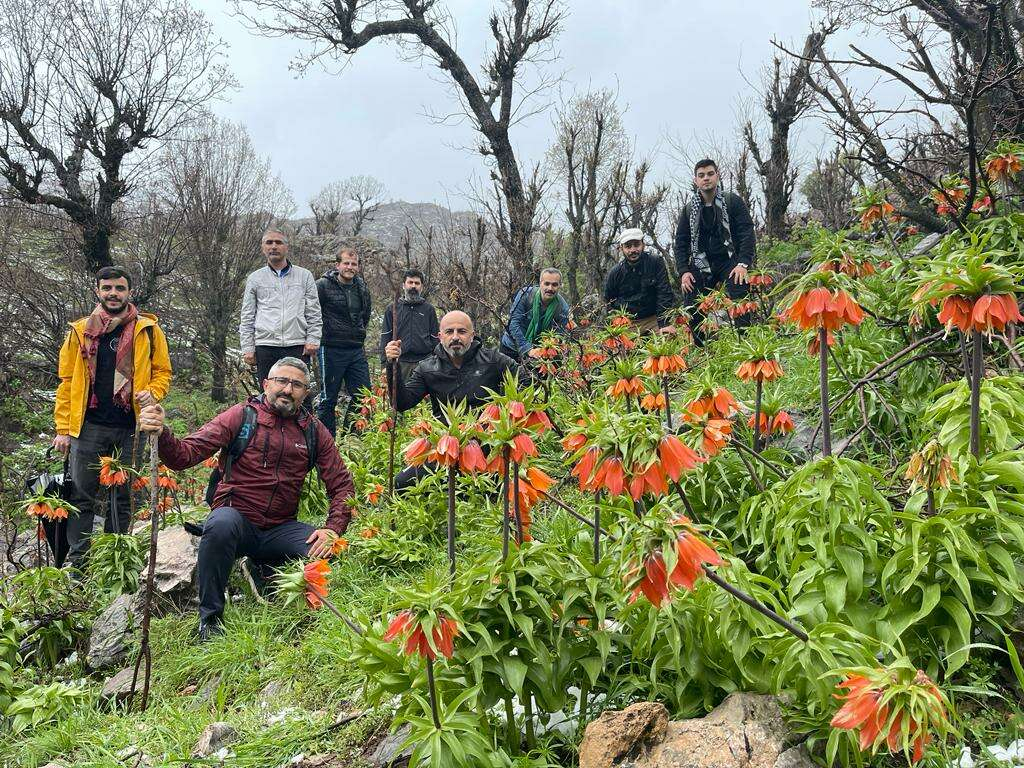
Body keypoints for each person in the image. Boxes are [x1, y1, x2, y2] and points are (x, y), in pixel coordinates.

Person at [137, 357, 355, 641]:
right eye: (281, 381)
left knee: (330, 550)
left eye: (296, 384)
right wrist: (162, 432)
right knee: (221, 524)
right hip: (236, 517)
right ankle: (211, 620)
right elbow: (184, 455)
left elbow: (341, 485)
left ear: (305, 393)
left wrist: (332, 529)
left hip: (280, 527)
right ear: (266, 384)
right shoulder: (241, 415)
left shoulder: (314, 431)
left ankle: (263, 568)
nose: (287, 389)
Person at [52, 266, 173, 568]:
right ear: (98, 291)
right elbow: (67, 381)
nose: (113, 294)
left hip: (131, 426)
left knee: (123, 497)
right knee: (82, 495)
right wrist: (63, 428)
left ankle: (114, 560)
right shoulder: (80, 330)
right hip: (88, 426)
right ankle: (79, 563)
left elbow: (163, 373)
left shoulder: (148, 330)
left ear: (129, 292)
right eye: (107, 288)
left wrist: (153, 393)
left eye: (119, 288)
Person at [384, 310, 518, 489]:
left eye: (462, 331)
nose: (455, 337)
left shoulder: (493, 360)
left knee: (493, 488)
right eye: (449, 332)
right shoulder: (427, 368)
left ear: (472, 335)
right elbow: (402, 403)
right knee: (401, 484)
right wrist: (393, 364)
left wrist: (507, 414)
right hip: (446, 445)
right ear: (440, 336)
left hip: (486, 445)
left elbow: (522, 380)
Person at [673, 158, 757, 344]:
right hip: (702, 263)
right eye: (701, 175)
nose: (706, 179)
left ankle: (746, 345)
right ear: (696, 180)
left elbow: (747, 232)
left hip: (729, 259)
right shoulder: (689, 210)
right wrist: (684, 272)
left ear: (717, 176)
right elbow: (681, 243)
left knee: (739, 293)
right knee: (691, 300)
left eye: (710, 174)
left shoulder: (732, 201)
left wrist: (743, 263)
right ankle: (703, 347)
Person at [239, 229, 322, 384]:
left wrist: (313, 339)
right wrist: (248, 348)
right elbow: (247, 315)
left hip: (297, 345)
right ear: (263, 247)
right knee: (268, 397)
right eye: (269, 242)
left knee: (299, 395)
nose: (274, 246)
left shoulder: (304, 276)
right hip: (265, 346)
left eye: (278, 242)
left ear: (286, 247)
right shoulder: (255, 278)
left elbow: (314, 312)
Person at [316, 247, 372, 436]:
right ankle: (326, 442)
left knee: (363, 395)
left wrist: (358, 333)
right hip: (331, 347)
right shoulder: (322, 285)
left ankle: (351, 439)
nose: (350, 267)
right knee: (328, 398)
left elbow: (366, 315)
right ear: (337, 264)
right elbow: (313, 314)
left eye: (353, 264)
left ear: (358, 267)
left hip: (355, 348)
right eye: (346, 263)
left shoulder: (362, 287)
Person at [603, 228, 677, 332]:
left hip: (653, 319)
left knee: (668, 336)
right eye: (628, 246)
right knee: (617, 345)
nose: (633, 250)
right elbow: (608, 300)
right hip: (628, 322)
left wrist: (664, 323)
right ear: (621, 248)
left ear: (643, 245)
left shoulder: (656, 262)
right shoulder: (615, 273)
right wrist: (617, 322)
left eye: (636, 245)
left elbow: (664, 292)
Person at [378, 268, 439, 387]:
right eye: (410, 282)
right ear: (403, 285)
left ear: (421, 287)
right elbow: (385, 338)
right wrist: (384, 365)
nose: (413, 286)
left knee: (424, 402)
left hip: (424, 362)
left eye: (417, 283)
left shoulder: (429, 310)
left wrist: (437, 363)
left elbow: (435, 338)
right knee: (400, 400)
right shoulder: (393, 309)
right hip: (400, 362)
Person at [499, 268, 571, 361]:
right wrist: (527, 349)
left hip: (539, 353)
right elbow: (514, 324)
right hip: (511, 348)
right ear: (540, 283)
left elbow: (558, 335)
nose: (550, 288)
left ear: (560, 286)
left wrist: (544, 350)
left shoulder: (563, 308)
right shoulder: (525, 295)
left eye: (554, 285)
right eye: (547, 283)